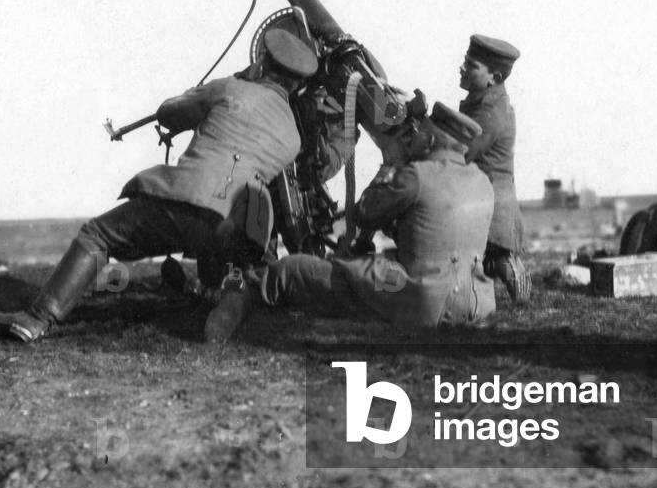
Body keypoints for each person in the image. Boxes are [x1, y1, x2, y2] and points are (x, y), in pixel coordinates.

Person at [0, 28, 319, 342]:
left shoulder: (230, 88)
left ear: (260, 62)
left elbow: (169, 113)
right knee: (239, 269)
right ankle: (230, 301)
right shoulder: (292, 135)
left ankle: (38, 318)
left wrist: (202, 94)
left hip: (189, 200)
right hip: (239, 224)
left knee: (98, 235)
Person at [204, 102, 497, 341]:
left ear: (431, 140)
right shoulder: (482, 182)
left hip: (417, 302)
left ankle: (238, 296)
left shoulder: (417, 175)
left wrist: (390, 164)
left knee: (292, 269)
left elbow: (368, 211)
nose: (415, 137)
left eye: (421, 134)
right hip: (475, 306)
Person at [458, 34, 531, 303]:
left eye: (471, 64)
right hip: (486, 202)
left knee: (499, 261)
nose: (463, 68)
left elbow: (459, 152)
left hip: (490, 209)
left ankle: (516, 284)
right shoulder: (484, 103)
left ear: (494, 77)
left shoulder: (489, 113)